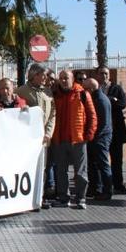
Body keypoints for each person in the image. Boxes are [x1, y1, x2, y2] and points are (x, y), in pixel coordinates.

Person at [51, 69, 97, 210]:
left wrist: (88, 135)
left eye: (67, 78)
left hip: (78, 139)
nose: (64, 81)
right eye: (62, 78)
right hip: (59, 140)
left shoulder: (83, 94)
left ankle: (81, 198)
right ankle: (64, 198)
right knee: (61, 171)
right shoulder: (54, 94)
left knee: (80, 172)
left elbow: (92, 116)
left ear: (72, 79)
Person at [15, 64, 56, 208]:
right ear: (34, 75)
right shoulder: (21, 91)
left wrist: (48, 133)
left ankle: (40, 197)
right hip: (27, 139)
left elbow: (52, 115)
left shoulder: (48, 92)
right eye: (42, 75)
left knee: (42, 168)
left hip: (43, 138)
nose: (45, 78)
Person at [96, 66, 126, 194]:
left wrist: (108, 100)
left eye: (106, 73)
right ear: (97, 75)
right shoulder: (95, 89)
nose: (104, 76)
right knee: (100, 160)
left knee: (117, 160)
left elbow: (122, 104)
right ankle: (101, 186)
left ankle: (118, 184)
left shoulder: (116, 88)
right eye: (101, 73)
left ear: (109, 75)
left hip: (116, 130)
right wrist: (112, 100)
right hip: (101, 131)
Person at [82, 78, 113, 201]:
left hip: (100, 138)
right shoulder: (98, 98)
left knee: (103, 164)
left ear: (91, 89)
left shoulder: (100, 100)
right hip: (98, 137)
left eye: (85, 89)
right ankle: (96, 188)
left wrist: (92, 137)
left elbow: (103, 124)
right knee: (94, 165)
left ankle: (107, 190)